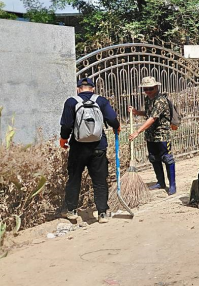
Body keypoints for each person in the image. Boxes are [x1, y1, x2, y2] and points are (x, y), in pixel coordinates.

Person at [59, 77, 120, 223]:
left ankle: (71, 210)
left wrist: (63, 139)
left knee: (74, 178)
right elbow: (112, 118)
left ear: (78, 89)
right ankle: (102, 213)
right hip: (98, 147)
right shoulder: (101, 101)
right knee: (100, 180)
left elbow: (66, 125)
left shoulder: (71, 102)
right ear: (93, 89)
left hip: (78, 148)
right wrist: (116, 127)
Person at [128, 76, 176, 195]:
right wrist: (137, 112)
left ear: (156, 87)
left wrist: (137, 132)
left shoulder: (161, 100)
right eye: (145, 89)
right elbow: (149, 113)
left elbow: (153, 118)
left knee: (167, 158)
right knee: (154, 158)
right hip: (151, 135)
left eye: (150, 88)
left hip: (162, 134)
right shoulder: (148, 99)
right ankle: (160, 182)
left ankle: (172, 185)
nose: (148, 91)